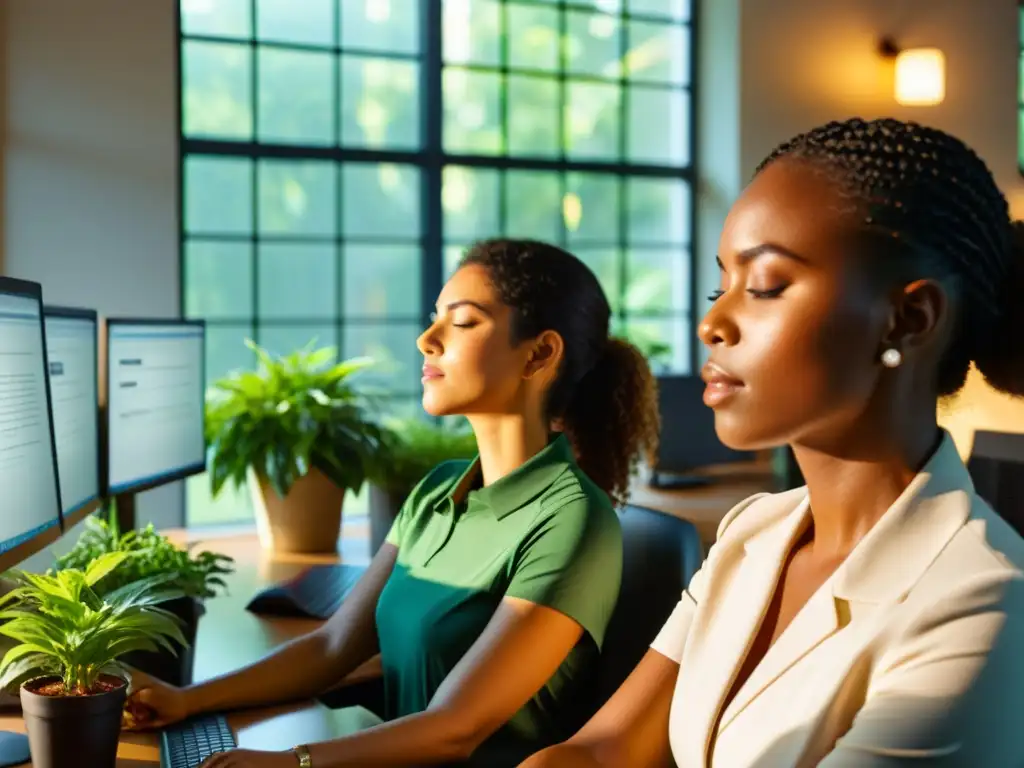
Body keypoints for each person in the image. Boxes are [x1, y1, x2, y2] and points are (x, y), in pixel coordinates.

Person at [520, 117, 1024, 768]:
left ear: (909, 319)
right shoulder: (753, 531)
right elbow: (605, 748)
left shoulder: (983, 607)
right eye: (718, 286)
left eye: (763, 286)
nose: (712, 322)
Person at [127, 239, 660, 768]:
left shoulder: (571, 519)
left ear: (539, 353)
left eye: (463, 322)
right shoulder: (437, 490)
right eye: (435, 319)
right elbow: (333, 647)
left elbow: (455, 729)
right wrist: (187, 700)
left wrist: (293, 764)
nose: (427, 339)